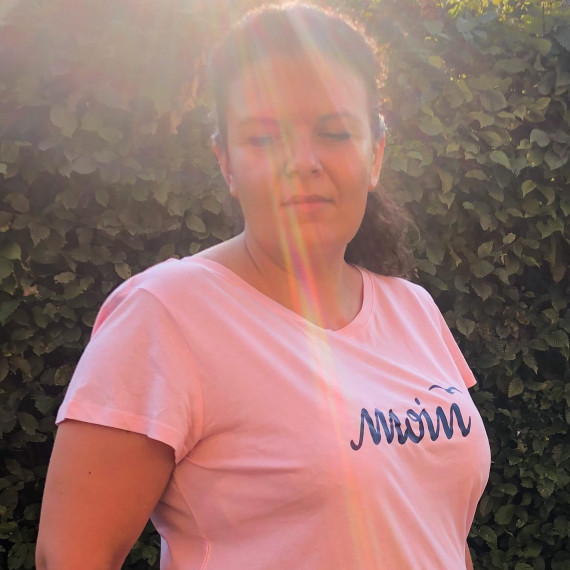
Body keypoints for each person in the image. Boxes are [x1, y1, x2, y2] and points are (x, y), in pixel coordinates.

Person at [36, 3, 491, 569]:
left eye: (334, 132)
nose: (302, 162)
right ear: (226, 163)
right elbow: (72, 556)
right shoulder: (168, 313)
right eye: (263, 138)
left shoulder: (413, 308)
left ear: (375, 154)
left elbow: (437, 530)